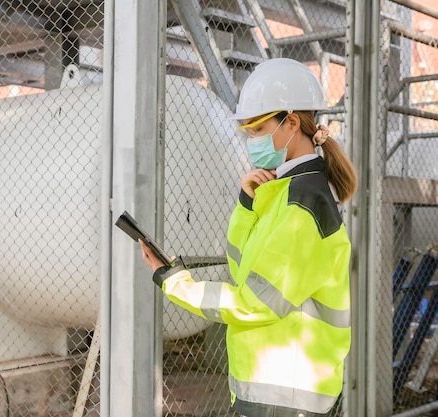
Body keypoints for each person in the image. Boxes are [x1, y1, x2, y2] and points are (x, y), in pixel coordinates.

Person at [139, 58, 358, 417]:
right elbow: (241, 267)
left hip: (288, 393)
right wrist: (247, 204)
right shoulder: (286, 193)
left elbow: (256, 301)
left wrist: (177, 284)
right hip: (276, 388)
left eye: (257, 130)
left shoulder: (304, 204)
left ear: (290, 123)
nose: (251, 142)